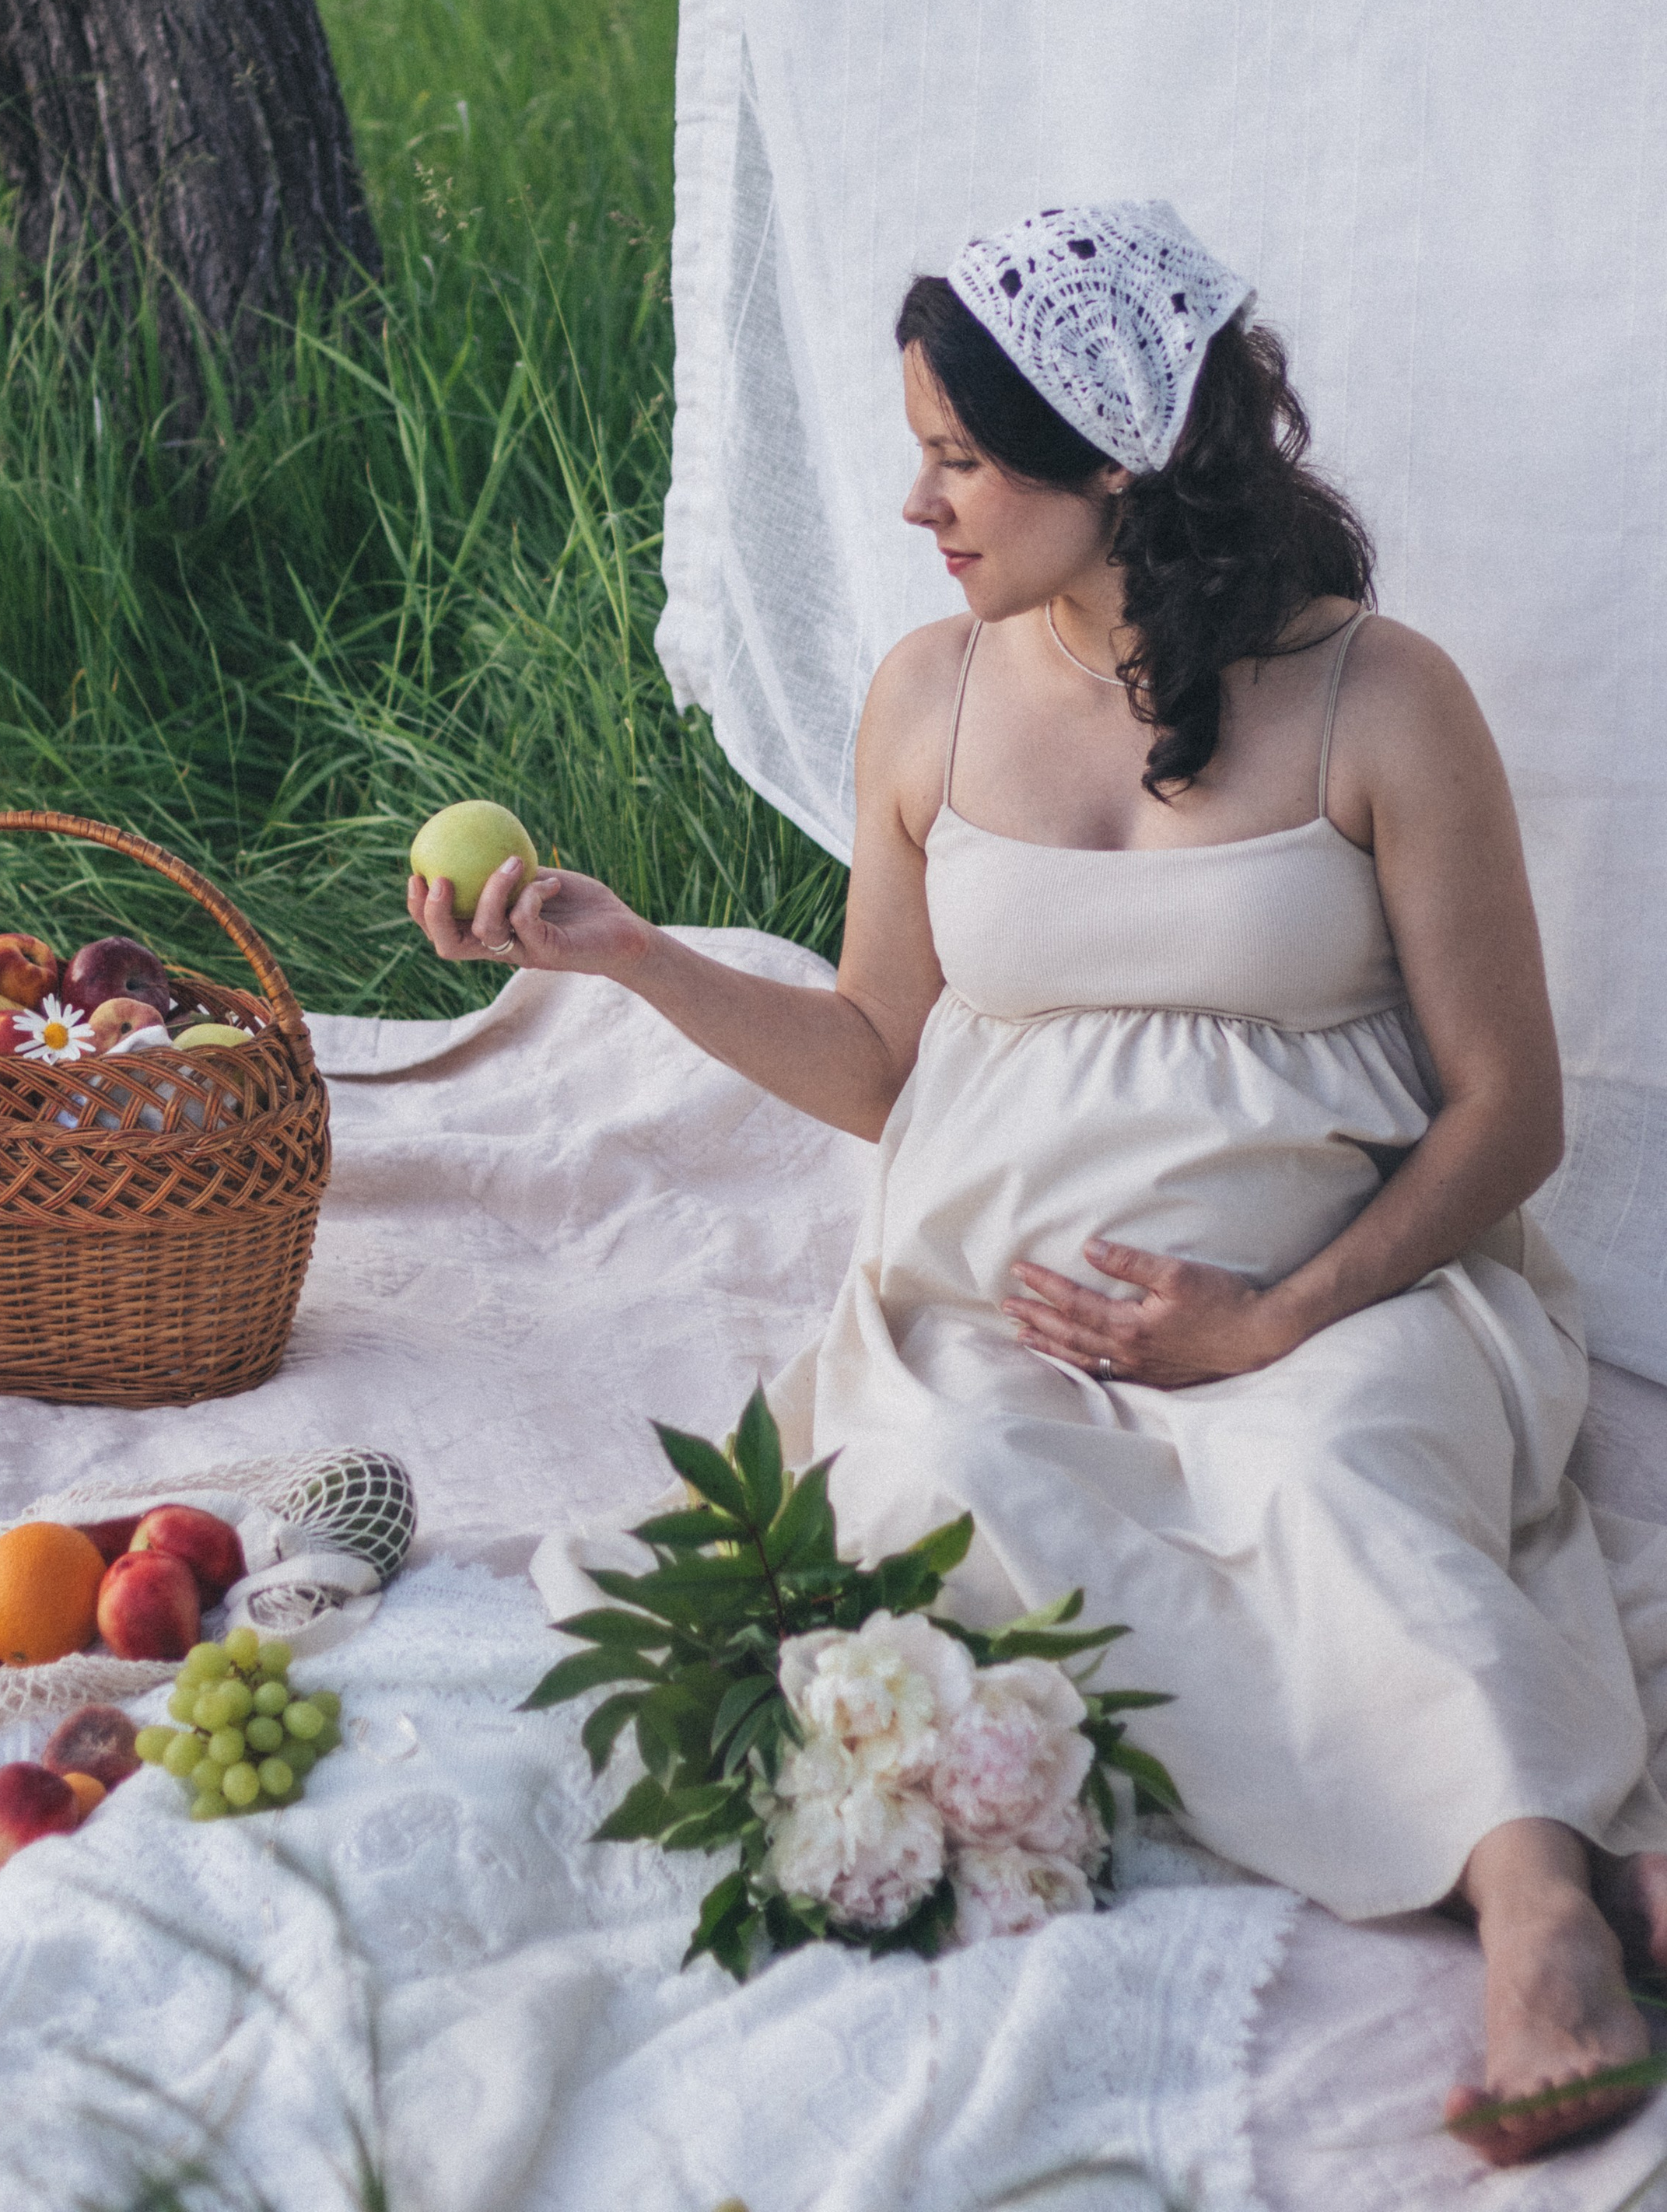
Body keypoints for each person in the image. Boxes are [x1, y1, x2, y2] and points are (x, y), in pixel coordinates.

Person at [409, 199, 1667, 2168]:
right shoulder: (928, 695)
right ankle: (1535, 1853)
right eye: (917, 449)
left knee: (1343, 1493)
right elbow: (875, 1058)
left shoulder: (1380, 702)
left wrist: (1271, 1315)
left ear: (1117, 462)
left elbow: (1508, 1114)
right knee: (943, 1506)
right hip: (993, 1322)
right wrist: (629, 950)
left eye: (959, 457)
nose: (917, 502)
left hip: (1333, 1300)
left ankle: (1538, 1923)